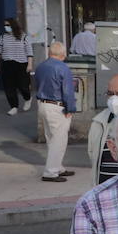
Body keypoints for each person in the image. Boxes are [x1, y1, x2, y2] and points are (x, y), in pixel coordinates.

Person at [32, 42, 78, 182]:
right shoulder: (63, 68)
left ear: (50, 53)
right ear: (63, 54)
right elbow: (68, 91)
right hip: (58, 106)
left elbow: (36, 85)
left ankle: (58, 167)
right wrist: (70, 108)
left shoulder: (40, 66)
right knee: (58, 140)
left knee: (51, 138)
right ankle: (51, 172)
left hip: (43, 104)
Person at [0, 17, 35, 114]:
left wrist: (30, 64)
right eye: (5, 25)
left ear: (13, 25)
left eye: (8, 25)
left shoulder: (24, 37)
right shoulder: (2, 37)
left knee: (23, 86)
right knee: (9, 87)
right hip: (7, 64)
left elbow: (29, 52)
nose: (6, 27)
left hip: (21, 64)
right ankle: (14, 106)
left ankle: (27, 98)